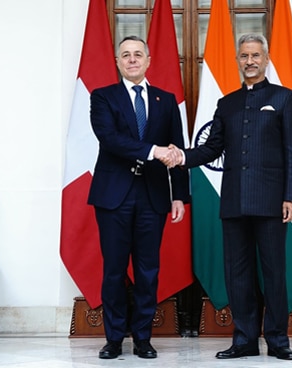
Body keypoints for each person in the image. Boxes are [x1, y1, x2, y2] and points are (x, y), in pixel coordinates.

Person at [162, 34, 292, 361]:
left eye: (255, 55)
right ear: (238, 60)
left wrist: (291, 197)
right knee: (236, 274)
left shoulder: (283, 98)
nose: (250, 61)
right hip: (234, 201)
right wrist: (181, 156)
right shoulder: (227, 104)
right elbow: (212, 149)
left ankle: (279, 341)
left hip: (271, 202)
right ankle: (244, 340)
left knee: (273, 273)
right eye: (244, 56)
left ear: (266, 59)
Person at [88, 35, 190, 359]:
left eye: (137, 54)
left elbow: (177, 150)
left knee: (148, 271)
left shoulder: (166, 100)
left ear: (148, 60)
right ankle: (114, 339)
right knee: (114, 272)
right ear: (118, 62)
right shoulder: (102, 98)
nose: (132, 60)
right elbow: (111, 139)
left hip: (153, 197)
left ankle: (143, 338)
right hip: (113, 197)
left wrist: (179, 196)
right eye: (125, 55)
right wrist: (152, 151)